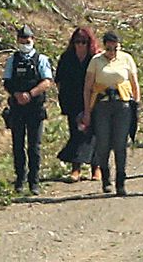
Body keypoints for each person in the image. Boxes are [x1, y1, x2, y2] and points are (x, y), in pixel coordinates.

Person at [82, 31, 140, 196]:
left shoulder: (126, 59)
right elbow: (88, 87)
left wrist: (136, 104)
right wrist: (87, 110)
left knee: (120, 144)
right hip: (102, 105)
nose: (112, 52)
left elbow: (134, 84)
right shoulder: (96, 61)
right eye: (109, 48)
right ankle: (106, 178)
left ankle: (121, 181)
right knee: (103, 143)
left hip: (123, 105)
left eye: (115, 48)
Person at [2, 25, 53, 195]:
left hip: (35, 109)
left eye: (28, 40)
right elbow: (7, 81)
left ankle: (34, 181)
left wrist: (30, 94)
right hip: (17, 109)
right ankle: (19, 179)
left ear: (33, 40)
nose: (25, 43)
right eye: (22, 41)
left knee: (34, 146)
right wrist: (17, 94)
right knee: (17, 145)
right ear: (18, 41)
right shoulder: (12, 60)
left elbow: (47, 82)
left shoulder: (41, 59)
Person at [55, 27, 102, 183]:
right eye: (77, 42)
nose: (80, 45)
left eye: (84, 42)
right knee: (76, 134)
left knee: (94, 135)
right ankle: (76, 169)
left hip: (93, 100)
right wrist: (63, 98)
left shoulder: (95, 58)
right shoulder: (67, 58)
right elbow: (59, 80)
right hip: (72, 101)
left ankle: (96, 167)